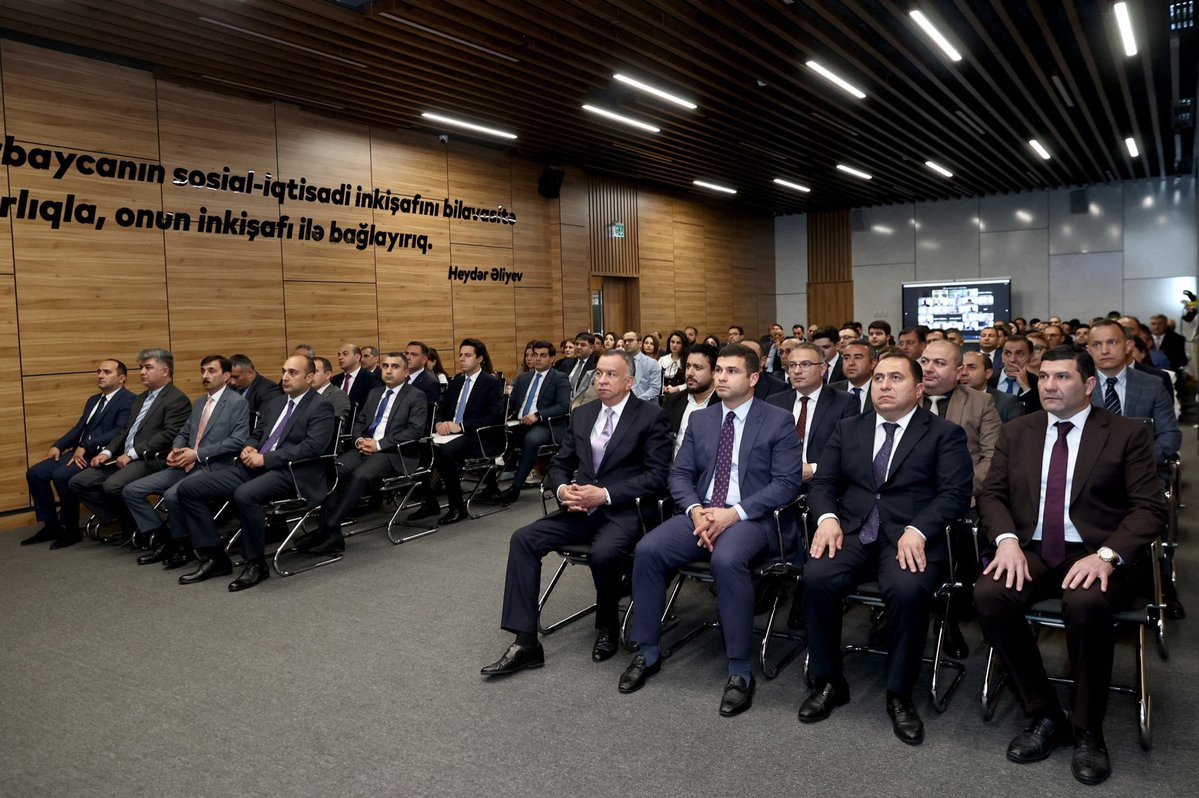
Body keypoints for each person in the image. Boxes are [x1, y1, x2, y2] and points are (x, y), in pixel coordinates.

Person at [975, 346, 1166, 786]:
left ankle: (1087, 728)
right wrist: (1006, 541)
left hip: (1095, 551)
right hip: (1032, 547)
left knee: (1085, 603)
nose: (1049, 385)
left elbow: (1149, 509)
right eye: (1044, 376)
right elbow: (992, 495)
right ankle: (1045, 713)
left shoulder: (1125, 433)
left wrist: (1107, 556)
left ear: (1089, 384)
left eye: (1062, 377)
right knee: (989, 593)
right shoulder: (1018, 430)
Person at [618, 344, 802, 717]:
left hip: (752, 518)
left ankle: (739, 669)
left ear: (754, 378)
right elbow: (679, 474)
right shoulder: (702, 419)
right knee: (649, 549)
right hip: (701, 513)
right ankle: (648, 651)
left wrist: (733, 514)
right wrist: (696, 510)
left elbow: (786, 483)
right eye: (718, 370)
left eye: (731, 371)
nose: (721, 377)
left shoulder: (778, 419)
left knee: (727, 560)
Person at [798, 353, 972, 745]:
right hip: (853, 530)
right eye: (878, 378)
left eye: (896, 378)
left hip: (910, 535)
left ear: (919, 388)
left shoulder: (944, 433)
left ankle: (899, 694)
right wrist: (827, 518)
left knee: (906, 591)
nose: (884, 386)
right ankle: (829, 681)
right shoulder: (849, 428)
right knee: (816, 578)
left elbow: (955, 495)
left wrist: (919, 529)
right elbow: (824, 484)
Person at [481, 349, 672, 676]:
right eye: (599, 373)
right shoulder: (583, 414)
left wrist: (606, 495)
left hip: (625, 511)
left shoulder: (650, 416)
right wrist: (562, 490)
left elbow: (657, 476)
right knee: (523, 539)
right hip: (580, 508)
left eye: (611, 374)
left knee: (604, 553)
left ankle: (608, 625)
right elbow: (560, 464)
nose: (602, 380)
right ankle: (526, 642)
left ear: (629, 382)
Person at [172, 355, 335, 590]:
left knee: (245, 494)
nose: (285, 377)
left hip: (292, 473)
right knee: (189, 488)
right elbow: (258, 434)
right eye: (284, 371)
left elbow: (313, 447)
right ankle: (214, 557)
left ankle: (256, 563)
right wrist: (249, 446)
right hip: (254, 467)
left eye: (293, 373)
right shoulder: (275, 403)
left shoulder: (320, 406)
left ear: (309, 378)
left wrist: (265, 458)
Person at [122, 355, 249, 568]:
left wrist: (197, 454)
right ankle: (164, 539)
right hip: (186, 464)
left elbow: (237, 441)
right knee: (131, 491)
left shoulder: (237, 403)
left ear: (226, 376)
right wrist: (176, 449)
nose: (205, 376)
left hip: (214, 466)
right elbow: (184, 432)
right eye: (203, 371)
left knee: (173, 495)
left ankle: (183, 546)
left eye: (211, 371)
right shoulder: (200, 402)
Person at [293, 352, 428, 554]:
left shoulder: (416, 396)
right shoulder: (375, 393)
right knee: (331, 472)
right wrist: (359, 440)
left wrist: (379, 444)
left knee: (359, 476)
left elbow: (415, 431)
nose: (388, 371)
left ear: (406, 372)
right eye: (385, 366)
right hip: (364, 448)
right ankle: (334, 537)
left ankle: (326, 529)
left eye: (395, 367)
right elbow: (359, 423)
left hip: (393, 453)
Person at [69, 349, 192, 547]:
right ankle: (129, 522)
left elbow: (169, 435)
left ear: (165, 371)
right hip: (125, 456)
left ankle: (155, 532)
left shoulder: (176, 399)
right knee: (78, 482)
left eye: (148, 367)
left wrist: (132, 454)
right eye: (141, 367)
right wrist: (107, 451)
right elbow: (125, 430)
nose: (142, 372)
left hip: (151, 458)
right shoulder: (141, 398)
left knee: (112, 486)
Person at [23, 360, 135, 548]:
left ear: (122, 378)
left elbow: (119, 431)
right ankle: (51, 526)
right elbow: (79, 428)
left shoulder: (129, 400)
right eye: (99, 371)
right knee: (35, 473)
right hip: (79, 452)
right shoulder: (94, 400)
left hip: (101, 455)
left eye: (107, 372)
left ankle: (71, 529)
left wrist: (86, 445)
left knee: (61, 476)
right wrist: (58, 446)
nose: (100, 375)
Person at [409, 339, 505, 525]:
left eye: (467, 355)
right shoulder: (456, 381)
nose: (461, 359)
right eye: (460, 355)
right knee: (418, 447)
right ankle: (430, 502)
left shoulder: (491, 382)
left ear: (480, 359)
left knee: (444, 453)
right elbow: (442, 409)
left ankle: (457, 507)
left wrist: (462, 426)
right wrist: (438, 423)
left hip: (478, 436)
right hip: (451, 434)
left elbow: (494, 417)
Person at [1086, 321, 1180, 463]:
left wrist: (1140, 462)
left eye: (1112, 342)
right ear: (1089, 350)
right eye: (1097, 344)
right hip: (1089, 468)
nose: (1104, 350)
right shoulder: (1078, 385)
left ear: (1128, 346)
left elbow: (1170, 434)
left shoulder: (1152, 384)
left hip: (1142, 466)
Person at [768, 342, 858, 490]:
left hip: (824, 484)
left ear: (822, 368)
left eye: (805, 364)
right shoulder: (775, 402)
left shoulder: (844, 402)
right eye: (792, 365)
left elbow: (849, 451)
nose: (797, 371)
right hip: (778, 482)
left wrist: (814, 469)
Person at [918, 340, 1000, 496]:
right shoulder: (904, 398)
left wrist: (960, 489)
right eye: (924, 361)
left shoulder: (980, 402)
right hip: (909, 496)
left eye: (939, 363)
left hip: (964, 493)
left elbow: (992, 455)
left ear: (959, 372)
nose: (928, 369)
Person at [501, 340, 571, 504]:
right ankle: (491, 486)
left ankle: (516, 487)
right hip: (519, 422)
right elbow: (512, 404)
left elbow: (563, 406)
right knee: (493, 432)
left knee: (531, 440)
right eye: (535, 355)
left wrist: (538, 415)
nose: (537, 359)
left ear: (552, 358)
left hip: (545, 424)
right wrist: (504, 414)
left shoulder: (559, 378)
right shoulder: (523, 378)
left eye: (543, 355)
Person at [661, 343, 719, 457]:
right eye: (688, 366)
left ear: (714, 372)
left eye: (698, 368)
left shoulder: (724, 405)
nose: (690, 373)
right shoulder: (672, 402)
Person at [960, 351, 1024, 423]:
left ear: (988, 373)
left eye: (972, 367)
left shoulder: (1007, 402)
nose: (963, 373)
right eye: (961, 368)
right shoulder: (951, 398)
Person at [229, 354, 282, 427]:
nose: (232, 382)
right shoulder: (230, 387)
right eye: (230, 377)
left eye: (235, 377)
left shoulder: (268, 391)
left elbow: (264, 425)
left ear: (250, 373)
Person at [995, 335, 1041, 414]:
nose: (1012, 359)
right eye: (1007, 353)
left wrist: (1026, 388)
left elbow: (1039, 415)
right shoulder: (989, 379)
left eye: (1019, 354)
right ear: (1002, 357)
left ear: (1030, 357)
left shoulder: (1038, 382)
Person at [828, 341, 876, 413]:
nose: (851, 363)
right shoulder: (830, 391)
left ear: (873, 363)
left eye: (858, 358)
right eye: (846, 358)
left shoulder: (882, 390)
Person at [333, 342, 382, 411]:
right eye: (339, 355)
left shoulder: (371, 379)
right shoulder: (334, 380)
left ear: (357, 357)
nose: (340, 357)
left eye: (345, 354)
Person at [312, 356, 352, 433]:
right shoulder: (306, 395)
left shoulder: (338, 396)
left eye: (315, 371)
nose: (311, 375)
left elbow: (336, 428)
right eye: (309, 372)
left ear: (328, 375)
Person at [622, 331, 662, 401]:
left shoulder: (652, 363)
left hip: (644, 403)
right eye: (625, 341)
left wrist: (637, 401)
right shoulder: (620, 362)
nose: (627, 343)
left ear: (640, 343)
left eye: (630, 340)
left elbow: (655, 389)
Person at [401, 342, 442, 406]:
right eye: (406, 354)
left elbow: (427, 410)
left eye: (413, 354)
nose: (408, 357)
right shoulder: (400, 379)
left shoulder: (430, 384)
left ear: (424, 359)